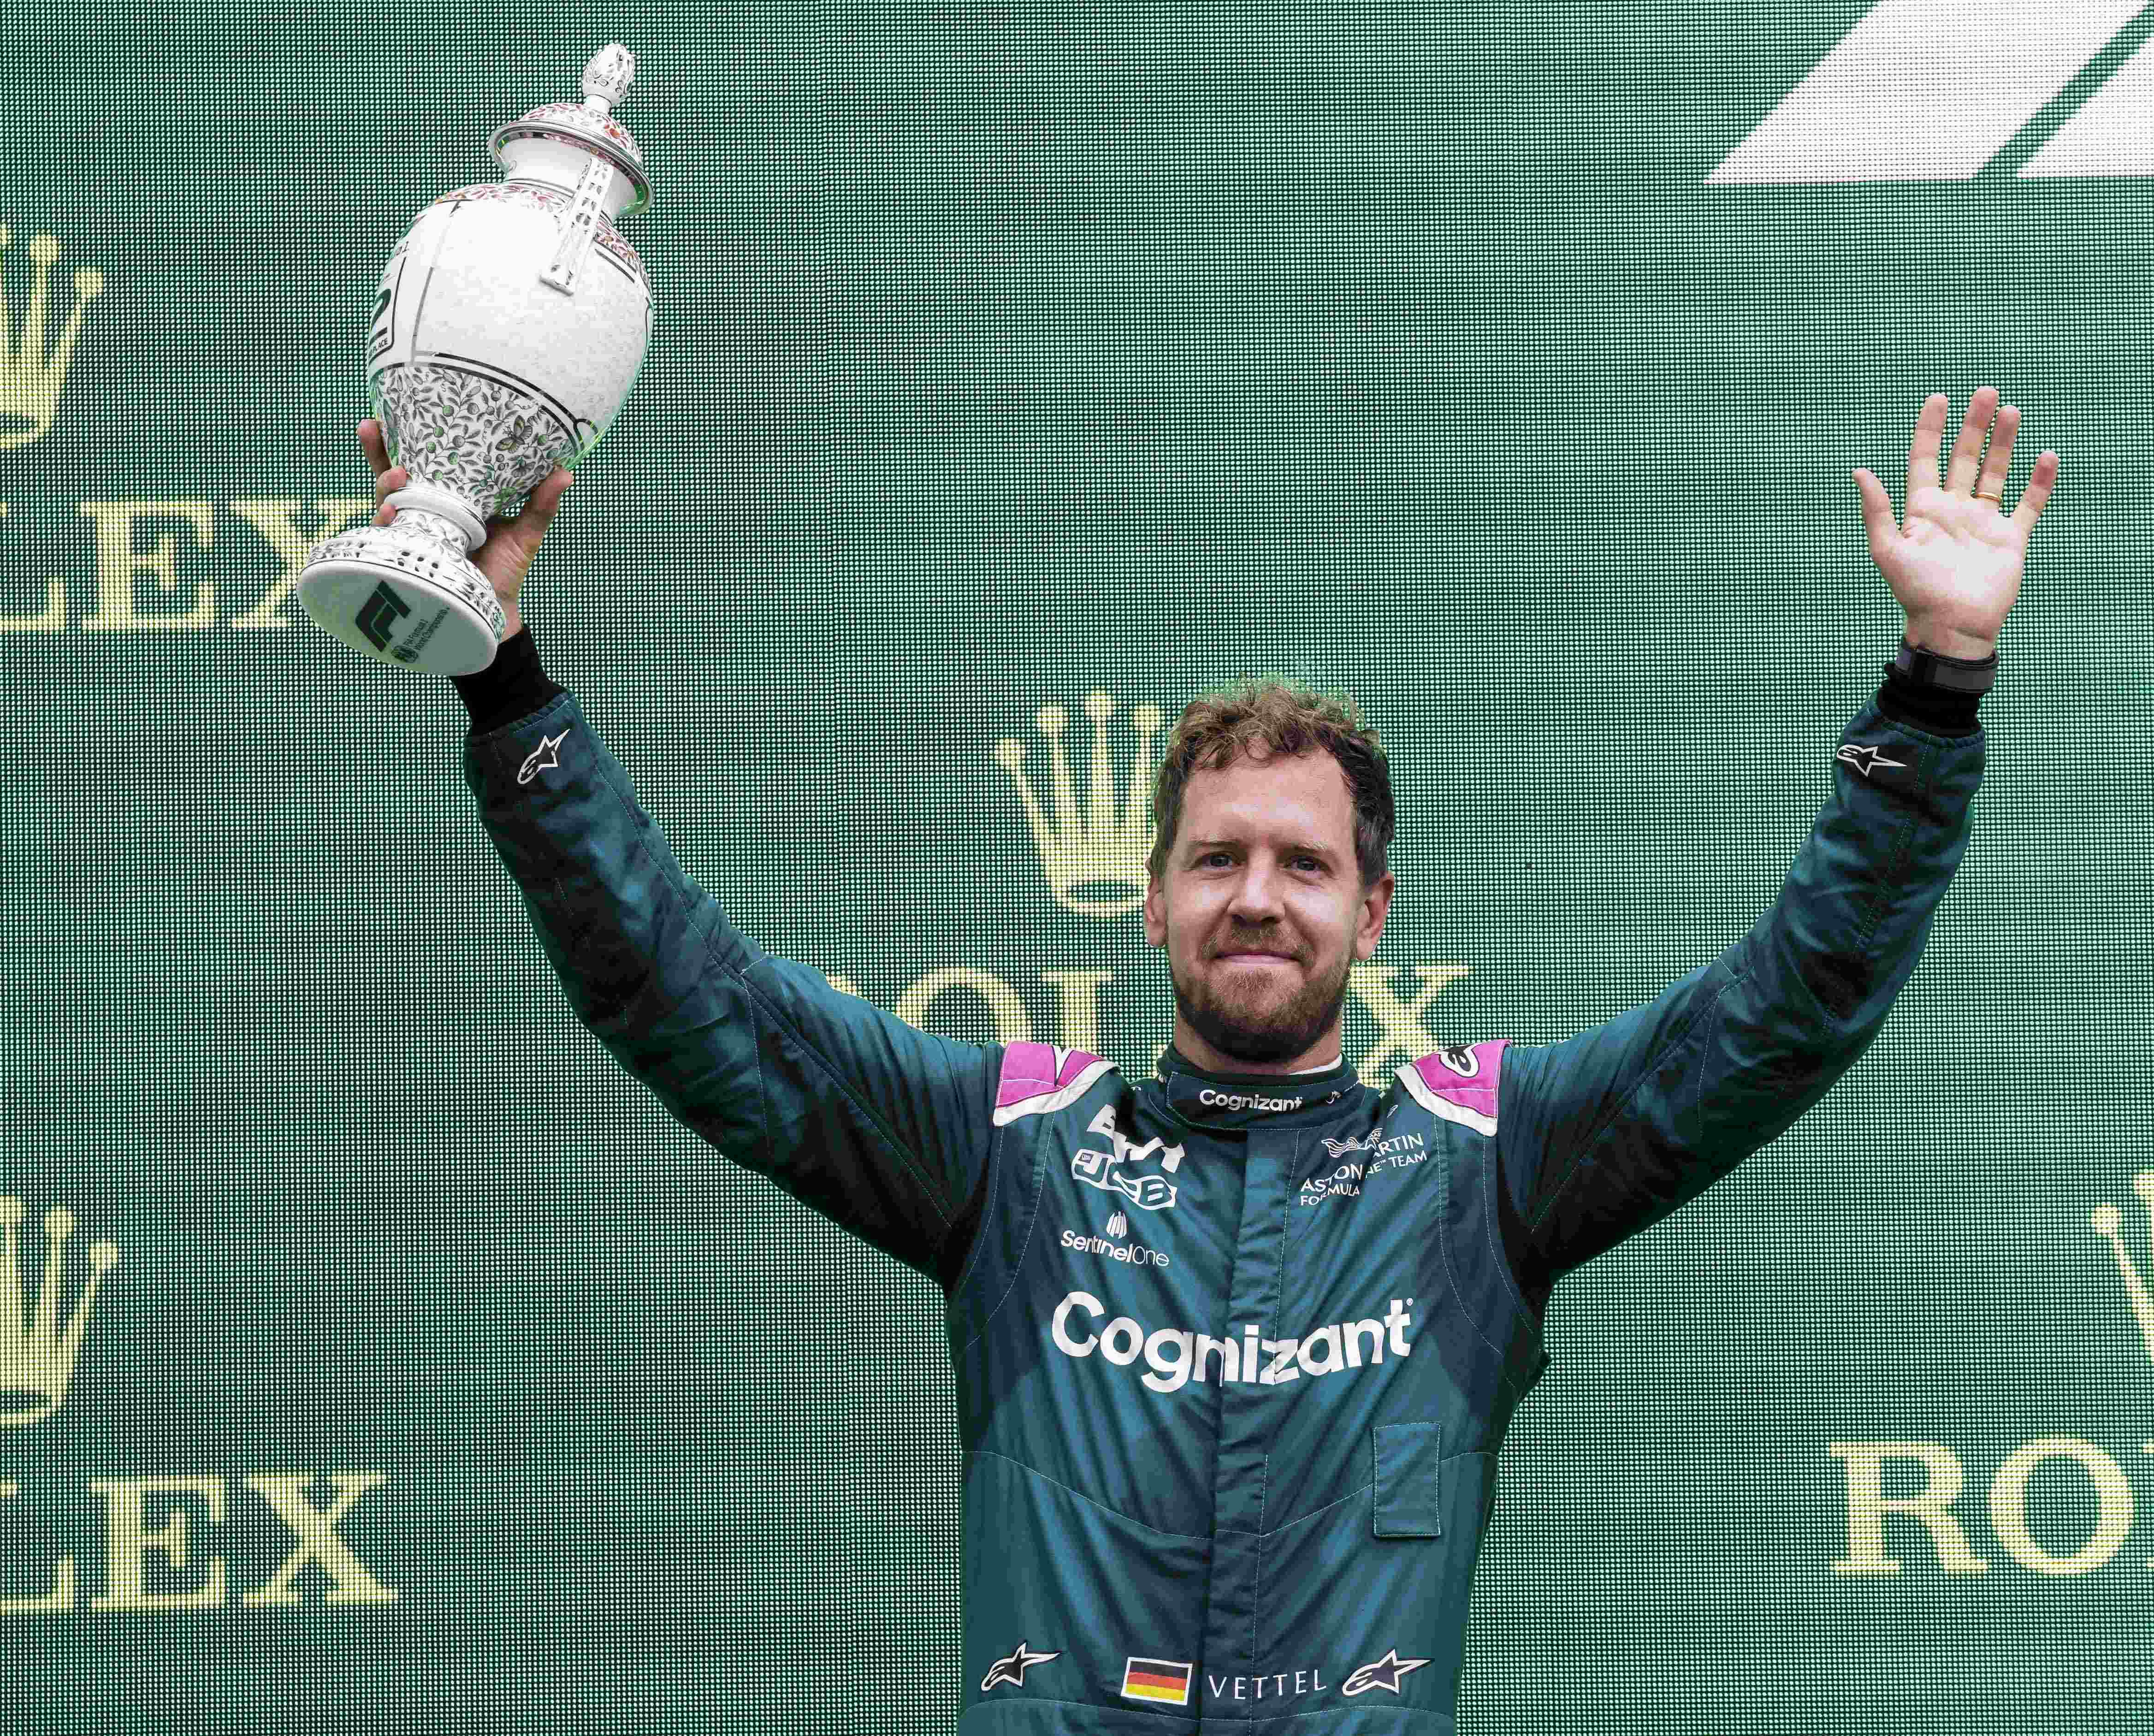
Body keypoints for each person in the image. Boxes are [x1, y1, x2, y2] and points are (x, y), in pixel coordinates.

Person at [358, 386, 2055, 1732]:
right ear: (1154, 897)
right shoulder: (1010, 1148)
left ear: (1373, 912)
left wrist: (1937, 686)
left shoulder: (1486, 1166)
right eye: (1220, 859)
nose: (1260, 899)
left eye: (1304, 866)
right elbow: (686, 996)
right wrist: (505, 681)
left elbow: (1790, 1007)